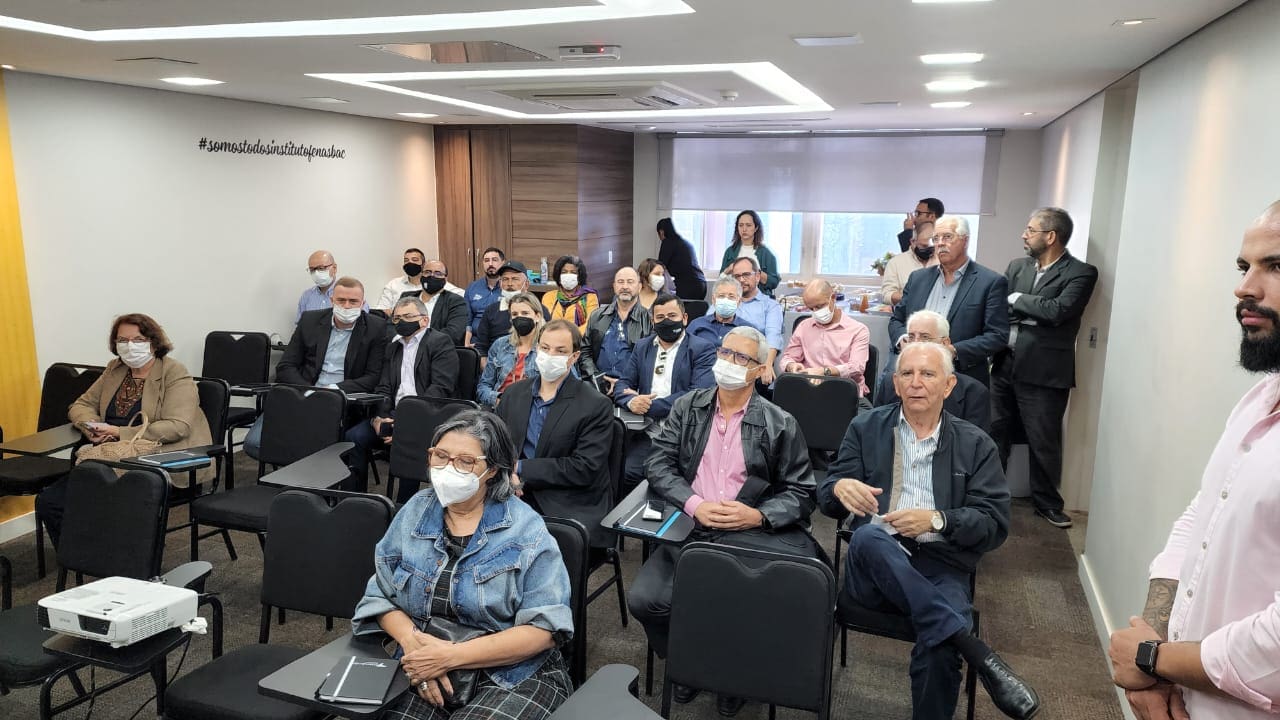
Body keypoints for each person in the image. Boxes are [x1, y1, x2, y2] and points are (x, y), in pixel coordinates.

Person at [1107, 201, 1280, 720]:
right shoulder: (1258, 401)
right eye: (1243, 266)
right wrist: (1154, 652)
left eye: (1276, 266)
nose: (1244, 288)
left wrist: (1152, 659)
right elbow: (1201, 518)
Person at [818, 342, 1039, 720]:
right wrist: (839, 488)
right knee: (870, 535)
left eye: (928, 374)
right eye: (907, 374)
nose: (916, 382)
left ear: (949, 385)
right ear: (895, 384)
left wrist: (938, 520)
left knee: (941, 649)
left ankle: (954, 640)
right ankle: (976, 650)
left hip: (941, 563)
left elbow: (994, 524)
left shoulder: (975, 444)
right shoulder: (866, 427)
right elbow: (826, 497)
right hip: (872, 569)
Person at [628, 326, 819, 717]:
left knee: (737, 602)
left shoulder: (780, 422)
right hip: (691, 525)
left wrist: (759, 514)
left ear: (759, 370)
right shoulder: (688, 407)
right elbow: (658, 462)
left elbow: (802, 493)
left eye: (742, 358)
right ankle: (689, 659)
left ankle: (732, 675)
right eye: (725, 353)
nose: (729, 362)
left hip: (746, 533)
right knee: (646, 601)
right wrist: (693, 503)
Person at [352, 410, 574, 720]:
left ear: (493, 469)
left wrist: (451, 656)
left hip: (511, 673)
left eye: (466, 461)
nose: (448, 469)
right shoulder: (415, 512)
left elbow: (544, 630)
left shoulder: (526, 530)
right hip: (424, 660)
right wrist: (414, 646)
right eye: (441, 456)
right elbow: (380, 596)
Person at [39, 313, 213, 544]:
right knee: (50, 502)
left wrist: (118, 432)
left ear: (154, 342)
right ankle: (80, 555)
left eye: (138, 340)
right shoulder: (116, 369)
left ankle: (113, 555)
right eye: (123, 340)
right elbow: (80, 405)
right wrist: (92, 427)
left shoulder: (173, 372)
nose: (130, 346)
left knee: (103, 504)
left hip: (156, 460)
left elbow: (177, 427)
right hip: (109, 456)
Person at [991, 208, 1099, 529]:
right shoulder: (1017, 266)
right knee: (995, 432)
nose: (1023, 235)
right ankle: (990, 496)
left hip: (1045, 372)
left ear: (1050, 236)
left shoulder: (1081, 272)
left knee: (1043, 440)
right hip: (1004, 364)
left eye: (1030, 230)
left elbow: (1058, 311)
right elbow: (1000, 309)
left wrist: (1017, 300)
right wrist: (1026, 309)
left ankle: (1047, 504)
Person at [495, 320, 616, 551]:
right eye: (545, 348)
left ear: (574, 357)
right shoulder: (514, 393)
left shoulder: (595, 404)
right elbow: (495, 443)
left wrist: (520, 468)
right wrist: (507, 474)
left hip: (566, 500)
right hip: (512, 490)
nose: (550, 355)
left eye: (560, 351)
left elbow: (584, 467)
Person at [246, 277, 388, 460]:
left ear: (363, 303)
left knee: (316, 449)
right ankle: (302, 468)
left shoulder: (376, 328)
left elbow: (373, 377)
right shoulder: (309, 320)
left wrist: (333, 389)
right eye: (341, 300)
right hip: (301, 393)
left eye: (353, 301)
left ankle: (305, 470)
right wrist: (310, 391)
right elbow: (286, 366)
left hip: (340, 401)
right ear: (332, 300)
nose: (346, 306)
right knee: (255, 443)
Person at [348, 296, 460, 498]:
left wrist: (406, 424)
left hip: (426, 417)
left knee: (409, 443)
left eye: (407, 316)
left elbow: (440, 389)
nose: (401, 322)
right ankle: (357, 499)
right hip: (394, 414)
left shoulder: (440, 342)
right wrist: (379, 417)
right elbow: (383, 387)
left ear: (424, 320)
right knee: (354, 436)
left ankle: (404, 505)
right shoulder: (393, 347)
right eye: (397, 318)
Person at [888, 215, 1009, 386]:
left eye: (947, 237)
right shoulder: (918, 279)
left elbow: (997, 335)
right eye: (936, 238)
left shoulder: (990, 282)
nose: (940, 243)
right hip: (914, 377)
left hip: (962, 377)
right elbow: (897, 319)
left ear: (965, 240)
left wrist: (954, 350)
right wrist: (903, 339)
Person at [612, 294, 716, 485]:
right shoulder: (643, 346)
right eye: (660, 317)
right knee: (624, 472)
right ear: (653, 321)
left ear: (684, 318)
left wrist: (649, 406)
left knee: (677, 481)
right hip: (647, 432)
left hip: (685, 434)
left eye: (672, 316)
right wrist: (632, 401)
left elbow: (698, 394)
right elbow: (623, 384)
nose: (666, 321)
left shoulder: (702, 349)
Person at [875, 310, 991, 433]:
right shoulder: (890, 383)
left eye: (925, 338)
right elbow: (876, 432)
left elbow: (975, 442)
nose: (916, 344)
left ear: (945, 343)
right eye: (911, 337)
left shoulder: (973, 393)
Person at [782, 279, 871, 396]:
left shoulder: (858, 330)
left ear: (833, 298)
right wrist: (791, 365)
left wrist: (824, 372)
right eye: (811, 309)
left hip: (843, 391)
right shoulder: (804, 327)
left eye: (819, 306)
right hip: (808, 390)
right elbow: (787, 357)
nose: (816, 312)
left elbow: (856, 367)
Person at [579, 266, 653, 392]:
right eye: (620, 282)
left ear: (640, 287)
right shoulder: (597, 316)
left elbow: (651, 359)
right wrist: (597, 378)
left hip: (632, 388)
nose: (625, 286)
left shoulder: (649, 319)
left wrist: (624, 383)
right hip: (597, 385)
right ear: (614, 286)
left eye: (630, 282)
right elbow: (585, 351)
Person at [475, 292, 545, 408]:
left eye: (525, 313)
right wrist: (498, 400)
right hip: (499, 406)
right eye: (515, 314)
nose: (519, 317)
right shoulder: (500, 344)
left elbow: (567, 385)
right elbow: (483, 387)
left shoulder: (549, 347)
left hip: (533, 407)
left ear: (537, 316)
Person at [725, 256, 783, 385]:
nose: (741, 280)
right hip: (723, 360)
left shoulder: (771, 306)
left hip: (752, 363)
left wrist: (767, 364)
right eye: (736, 276)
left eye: (746, 275)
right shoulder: (724, 302)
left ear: (757, 276)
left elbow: (773, 336)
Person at [474, 261, 550, 359]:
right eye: (505, 279)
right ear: (500, 284)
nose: (509, 284)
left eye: (515, 279)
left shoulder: (539, 309)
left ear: (526, 284)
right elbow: (481, 347)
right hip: (496, 361)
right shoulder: (491, 310)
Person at [376, 247, 465, 312]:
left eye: (414, 260)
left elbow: (462, 295)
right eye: (406, 260)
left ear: (423, 264)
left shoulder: (436, 283)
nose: (410, 263)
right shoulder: (393, 284)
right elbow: (382, 309)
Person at [719, 210, 780, 296]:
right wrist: (729, 269)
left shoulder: (766, 253)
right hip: (734, 298)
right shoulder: (730, 252)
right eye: (741, 225)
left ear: (756, 228)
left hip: (759, 299)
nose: (744, 229)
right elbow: (720, 281)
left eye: (748, 225)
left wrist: (756, 272)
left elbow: (773, 283)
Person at [297, 249, 366, 322]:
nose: (316, 273)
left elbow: (364, 323)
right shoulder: (306, 296)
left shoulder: (351, 293)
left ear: (334, 268)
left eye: (321, 268)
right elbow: (300, 324)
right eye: (312, 269)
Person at [882, 219, 939, 306]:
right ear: (913, 242)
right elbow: (887, 295)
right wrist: (912, 298)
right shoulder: (896, 263)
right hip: (907, 312)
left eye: (931, 247)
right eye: (923, 246)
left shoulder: (942, 261)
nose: (927, 250)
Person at [418, 259, 471, 347]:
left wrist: (418, 341)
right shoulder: (407, 297)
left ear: (445, 279)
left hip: (438, 350)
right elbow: (394, 326)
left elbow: (453, 333)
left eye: (438, 273)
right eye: (427, 272)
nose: (432, 276)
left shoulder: (456, 301)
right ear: (421, 275)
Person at [541, 255, 599, 334]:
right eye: (564, 272)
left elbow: (590, 324)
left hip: (578, 339)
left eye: (573, 272)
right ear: (559, 276)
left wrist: (570, 337)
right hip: (552, 337)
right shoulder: (548, 296)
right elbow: (544, 322)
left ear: (579, 277)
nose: (568, 275)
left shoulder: (590, 297)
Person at [656, 217, 707, 300]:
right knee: (697, 308)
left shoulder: (668, 242)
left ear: (661, 232)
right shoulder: (684, 242)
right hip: (701, 284)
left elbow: (659, 266)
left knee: (677, 307)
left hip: (688, 285)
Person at [687, 277, 748, 345]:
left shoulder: (747, 329)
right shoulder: (697, 324)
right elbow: (684, 348)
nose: (725, 300)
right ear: (713, 300)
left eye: (731, 296)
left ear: (739, 302)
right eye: (721, 296)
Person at [465, 246, 506, 332]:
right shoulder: (472, 287)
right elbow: (467, 319)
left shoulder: (509, 288)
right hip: (475, 336)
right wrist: (467, 337)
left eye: (494, 260)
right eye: (486, 260)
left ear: (503, 263)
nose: (490, 264)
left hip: (500, 335)